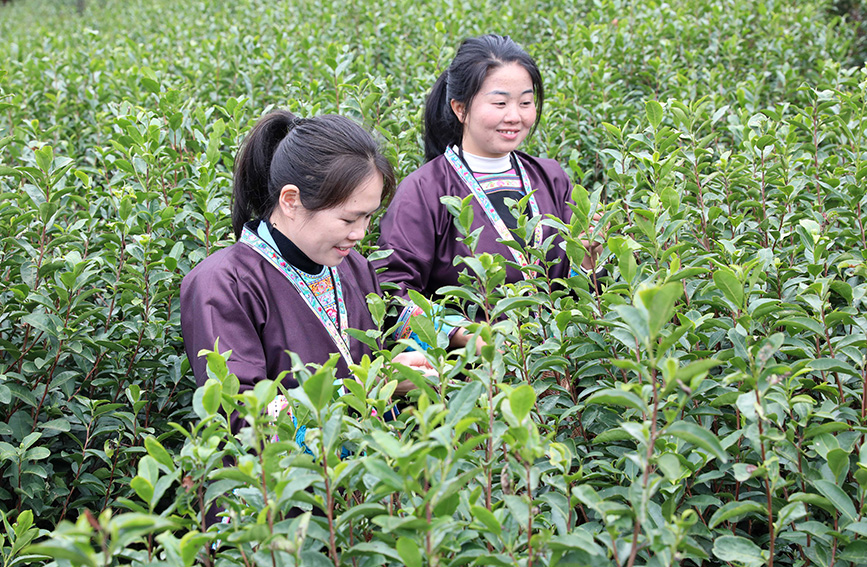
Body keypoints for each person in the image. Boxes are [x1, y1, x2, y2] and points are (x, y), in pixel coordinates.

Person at [181, 110, 424, 433]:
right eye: (348, 219)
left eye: (368, 217)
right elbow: (239, 416)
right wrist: (370, 388)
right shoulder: (223, 283)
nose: (360, 234)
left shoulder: (354, 267)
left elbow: (382, 347)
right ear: (291, 200)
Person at [376, 34, 602, 349]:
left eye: (525, 102)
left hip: (560, 364)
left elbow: (578, 288)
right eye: (500, 103)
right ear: (460, 108)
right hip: (473, 370)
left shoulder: (552, 178)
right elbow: (391, 294)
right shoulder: (425, 190)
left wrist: (591, 259)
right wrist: (466, 337)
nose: (515, 116)